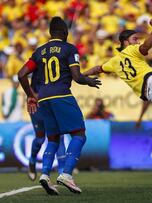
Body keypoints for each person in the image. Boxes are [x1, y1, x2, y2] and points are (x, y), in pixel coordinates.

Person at [17, 16, 101, 195]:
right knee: (79, 134)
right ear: (65, 32)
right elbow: (77, 77)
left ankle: (45, 174)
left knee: (53, 139)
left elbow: (21, 74)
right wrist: (89, 81)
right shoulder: (69, 48)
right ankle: (67, 174)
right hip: (61, 95)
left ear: (50, 33)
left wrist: (31, 95)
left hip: (43, 100)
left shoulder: (39, 52)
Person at [27, 59, 66, 182]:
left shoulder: (58, 68)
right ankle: (32, 161)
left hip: (53, 103)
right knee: (40, 139)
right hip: (38, 104)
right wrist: (33, 97)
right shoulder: (38, 71)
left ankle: (62, 172)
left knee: (59, 136)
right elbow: (31, 88)